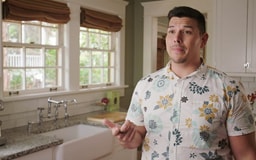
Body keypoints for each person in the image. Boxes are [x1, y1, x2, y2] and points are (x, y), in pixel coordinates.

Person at [104, 6, 256, 160]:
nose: (176, 38)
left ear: (203, 40)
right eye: (171, 31)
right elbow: (137, 135)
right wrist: (128, 139)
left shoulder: (230, 89)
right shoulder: (145, 85)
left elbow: (246, 155)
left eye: (187, 31)